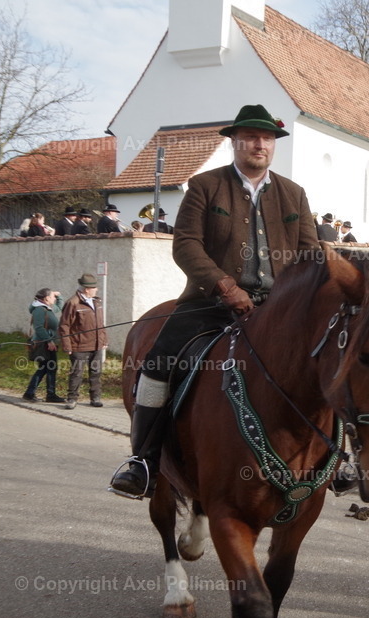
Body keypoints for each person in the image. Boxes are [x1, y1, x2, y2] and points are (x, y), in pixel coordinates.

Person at [109, 103, 319, 499]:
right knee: (158, 362)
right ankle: (145, 461)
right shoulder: (205, 186)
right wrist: (226, 287)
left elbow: (309, 254)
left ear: (273, 145)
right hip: (211, 304)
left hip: (279, 308)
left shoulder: (294, 194)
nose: (260, 144)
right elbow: (186, 246)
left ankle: (340, 459)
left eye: (267, 138)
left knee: (332, 357)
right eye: (251, 138)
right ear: (235, 143)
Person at [59, 273, 107, 410]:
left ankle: (95, 397)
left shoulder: (97, 302)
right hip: (79, 346)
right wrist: (67, 345)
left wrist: (104, 339)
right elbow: (64, 325)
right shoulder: (72, 303)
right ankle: (72, 398)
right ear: (86, 289)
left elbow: (101, 323)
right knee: (76, 373)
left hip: (97, 344)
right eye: (94, 287)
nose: (96, 289)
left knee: (96, 372)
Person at [23, 288, 66, 403]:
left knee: (46, 368)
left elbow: (59, 307)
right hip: (44, 344)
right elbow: (39, 328)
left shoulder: (47, 308)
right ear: (46, 299)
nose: (54, 298)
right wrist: (49, 341)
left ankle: (31, 393)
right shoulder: (39, 310)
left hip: (48, 343)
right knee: (48, 368)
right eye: (52, 296)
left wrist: (59, 296)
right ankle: (48, 394)